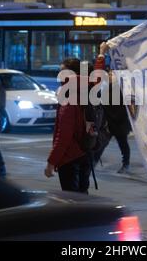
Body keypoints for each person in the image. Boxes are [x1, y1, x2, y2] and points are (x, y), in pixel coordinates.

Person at [45, 58, 91, 194]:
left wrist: (51, 162)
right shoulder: (87, 90)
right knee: (83, 197)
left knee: (72, 200)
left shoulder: (69, 97)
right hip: (85, 152)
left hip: (70, 158)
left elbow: (63, 135)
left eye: (62, 72)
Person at [95, 43, 132, 173]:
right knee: (101, 144)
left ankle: (126, 164)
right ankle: (93, 162)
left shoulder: (123, 87)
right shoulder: (104, 86)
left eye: (112, 74)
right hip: (107, 122)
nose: (110, 75)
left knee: (123, 144)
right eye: (109, 73)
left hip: (120, 122)